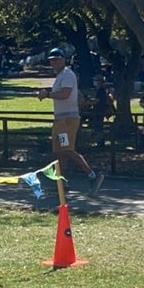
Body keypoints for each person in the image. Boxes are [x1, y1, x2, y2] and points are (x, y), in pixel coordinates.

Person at [47, 49, 103, 193]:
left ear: (64, 59)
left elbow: (65, 94)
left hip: (67, 120)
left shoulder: (66, 74)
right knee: (60, 152)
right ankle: (62, 182)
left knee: (66, 149)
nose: (54, 62)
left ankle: (92, 175)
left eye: (57, 59)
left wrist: (47, 94)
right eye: (52, 60)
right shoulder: (60, 76)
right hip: (61, 119)